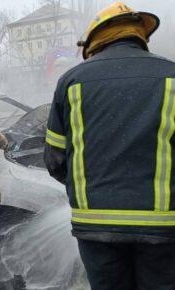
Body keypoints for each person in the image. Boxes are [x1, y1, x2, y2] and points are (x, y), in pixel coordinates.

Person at [44, 2, 175, 290]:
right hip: (162, 228)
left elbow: (55, 160)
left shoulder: (71, 82)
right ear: (140, 34)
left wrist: (93, 188)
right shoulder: (171, 77)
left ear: (95, 40)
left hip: (95, 227)